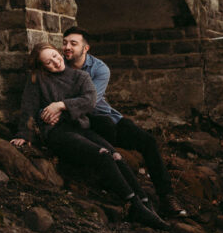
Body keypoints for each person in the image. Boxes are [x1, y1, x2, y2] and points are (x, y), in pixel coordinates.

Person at [10, 42, 169, 230]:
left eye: (54, 55)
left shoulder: (80, 76)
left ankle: (145, 202)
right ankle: (133, 205)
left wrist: (61, 105)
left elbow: (90, 100)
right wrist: (24, 133)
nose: (55, 62)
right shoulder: (38, 80)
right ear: (42, 66)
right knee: (101, 154)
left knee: (116, 155)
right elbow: (29, 107)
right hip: (57, 132)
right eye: (48, 62)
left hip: (81, 128)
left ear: (58, 52)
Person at [62, 26, 188, 218]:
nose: (67, 47)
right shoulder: (59, 65)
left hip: (105, 117)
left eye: (73, 43)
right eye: (65, 43)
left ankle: (167, 197)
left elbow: (91, 101)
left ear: (86, 48)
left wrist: (61, 105)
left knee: (148, 142)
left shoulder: (99, 68)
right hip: (80, 123)